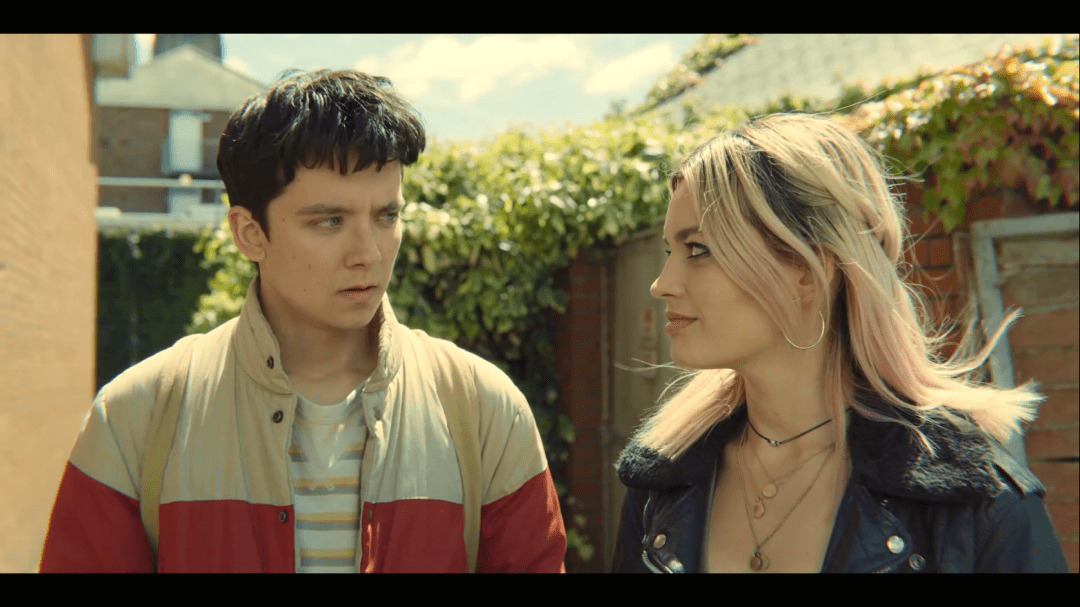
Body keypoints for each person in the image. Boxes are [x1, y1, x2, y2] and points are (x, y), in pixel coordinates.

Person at [40, 69, 566, 573]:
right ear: (249, 233)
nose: (369, 253)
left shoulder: (484, 410)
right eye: (330, 221)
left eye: (387, 216)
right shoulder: (136, 417)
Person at [612, 113, 1069, 573]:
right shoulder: (661, 487)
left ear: (807, 272)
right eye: (670, 251)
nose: (661, 284)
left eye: (698, 249)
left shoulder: (978, 509)